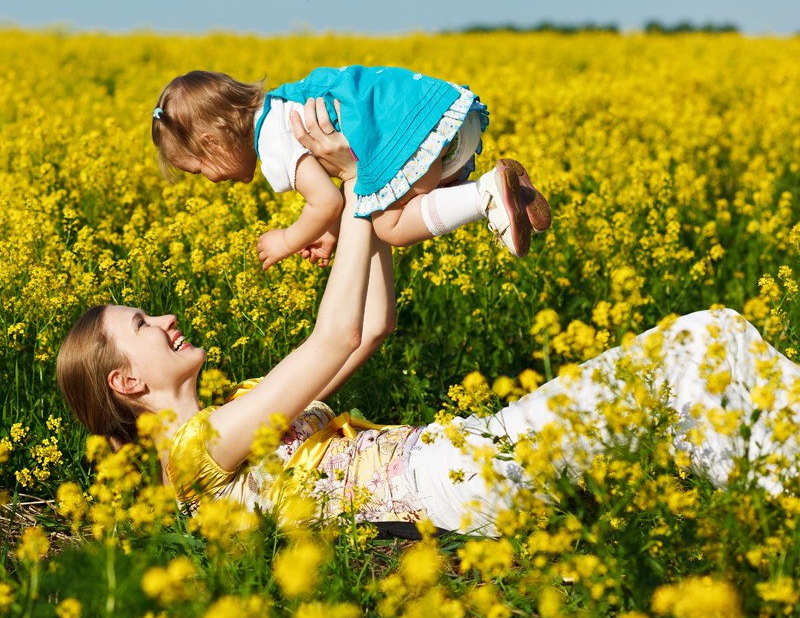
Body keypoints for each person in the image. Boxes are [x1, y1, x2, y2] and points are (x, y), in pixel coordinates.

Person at [59, 105, 798, 537]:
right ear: (125, 379)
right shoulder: (195, 451)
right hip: (449, 477)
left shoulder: (232, 411)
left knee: (701, 391)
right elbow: (333, 336)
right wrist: (358, 184)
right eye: (143, 323)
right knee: (707, 340)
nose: (165, 317)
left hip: (462, 460)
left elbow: (369, 326)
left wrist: (366, 217)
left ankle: (771, 503)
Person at [150, 66, 551, 271]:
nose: (210, 180)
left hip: (411, 131)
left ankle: (486, 194)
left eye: (199, 169)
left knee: (389, 227)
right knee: (403, 201)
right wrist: (331, 234)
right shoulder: (281, 104)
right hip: (434, 116)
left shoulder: (274, 138)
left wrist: (288, 240)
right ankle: (517, 194)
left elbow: (325, 200)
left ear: (213, 143)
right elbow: (345, 194)